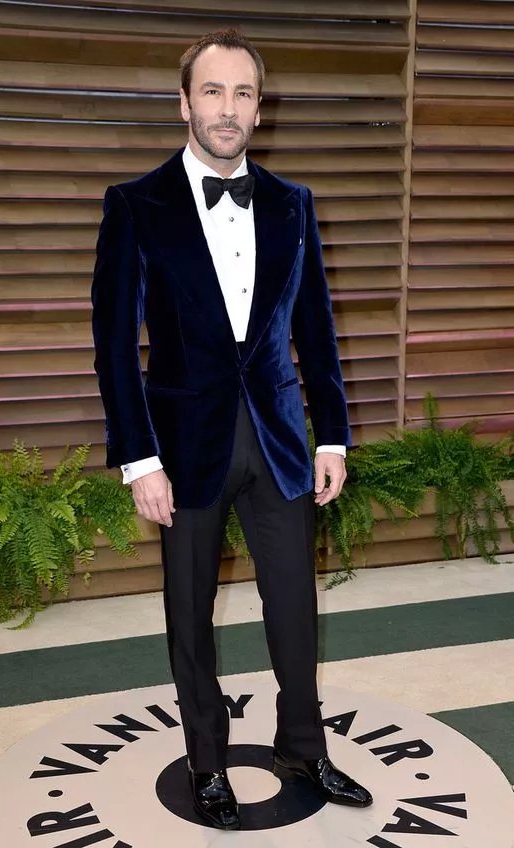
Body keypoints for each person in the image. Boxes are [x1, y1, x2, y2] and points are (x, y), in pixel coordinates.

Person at [91, 27, 372, 831]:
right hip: (183, 448)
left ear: (259, 106)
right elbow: (113, 346)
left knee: (295, 608)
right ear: (184, 103)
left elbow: (317, 328)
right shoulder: (135, 204)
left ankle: (303, 748)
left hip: (280, 439)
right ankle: (207, 762)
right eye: (212, 91)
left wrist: (331, 437)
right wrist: (140, 459)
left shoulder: (292, 202)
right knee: (190, 612)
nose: (228, 108)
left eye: (243, 93)